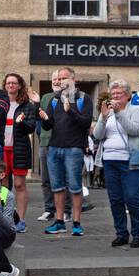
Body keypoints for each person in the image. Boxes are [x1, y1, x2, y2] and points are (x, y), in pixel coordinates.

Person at [93, 80, 139, 249]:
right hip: (110, 161)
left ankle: (138, 234)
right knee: (115, 199)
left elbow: (135, 130)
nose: (116, 97)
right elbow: (97, 135)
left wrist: (119, 114)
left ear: (127, 95)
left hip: (131, 161)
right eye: (113, 94)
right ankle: (121, 234)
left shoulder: (137, 110)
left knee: (132, 198)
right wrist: (103, 118)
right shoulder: (107, 112)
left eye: (119, 94)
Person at [39, 66, 93, 236]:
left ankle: (76, 223)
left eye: (64, 78)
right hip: (54, 148)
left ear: (73, 79)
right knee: (57, 187)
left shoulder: (84, 98)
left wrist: (71, 111)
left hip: (74, 149)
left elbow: (85, 123)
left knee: (75, 187)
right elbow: (48, 125)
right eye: (59, 78)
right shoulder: (55, 99)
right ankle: (59, 221)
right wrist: (42, 116)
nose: (61, 81)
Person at [0, 74, 38, 230]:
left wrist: (20, 124)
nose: (11, 85)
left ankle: (21, 220)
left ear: (20, 86)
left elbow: (31, 127)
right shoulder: (0, 103)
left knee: (19, 184)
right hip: (2, 148)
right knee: (3, 185)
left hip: (19, 148)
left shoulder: (27, 105)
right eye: (8, 83)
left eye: (14, 83)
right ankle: (6, 218)